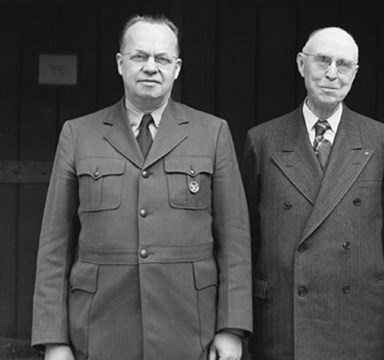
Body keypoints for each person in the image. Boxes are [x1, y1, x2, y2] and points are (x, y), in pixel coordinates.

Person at [31, 14, 251, 360]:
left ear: (177, 68)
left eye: (162, 58)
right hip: (100, 330)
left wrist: (231, 328)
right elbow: (54, 245)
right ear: (121, 64)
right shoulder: (78, 134)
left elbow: (234, 242)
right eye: (139, 57)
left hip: (190, 330)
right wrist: (54, 340)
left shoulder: (212, 132)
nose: (151, 67)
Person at [242, 27, 384, 360]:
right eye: (322, 60)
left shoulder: (382, 141)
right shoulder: (263, 140)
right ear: (301, 64)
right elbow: (250, 235)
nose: (332, 73)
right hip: (285, 318)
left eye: (343, 65)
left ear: (355, 73)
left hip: (356, 317)